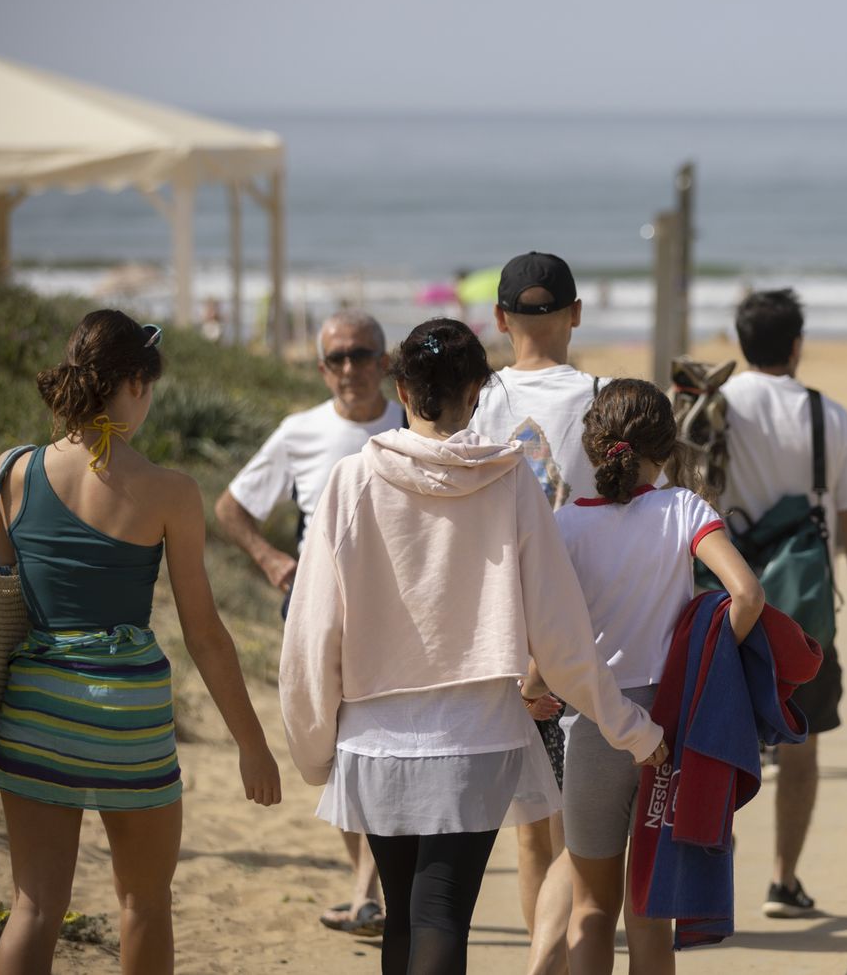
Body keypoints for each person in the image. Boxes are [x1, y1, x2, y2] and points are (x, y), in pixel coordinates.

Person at [280, 319, 667, 975]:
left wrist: (313, 745)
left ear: (401, 387)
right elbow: (562, 635)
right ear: (478, 392)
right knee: (442, 914)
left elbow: (312, 631)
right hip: (477, 737)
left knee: (403, 915)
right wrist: (630, 726)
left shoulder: (350, 480)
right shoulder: (509, 481)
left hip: (375, 738)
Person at [0, 309, 281, 975]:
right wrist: (252, 743)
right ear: (136, 386)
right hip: (127, 717)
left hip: (37, 704)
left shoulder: (16, 470)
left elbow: (2, 600)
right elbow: (204, 632)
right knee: (144, 901)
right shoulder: (171, 491)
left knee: (34, 905)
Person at [549, 379, 765, 974]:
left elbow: (547, 631)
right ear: (666, 447)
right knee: (649, 911)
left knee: (590, 907)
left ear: (595, 446)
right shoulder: (686, 510)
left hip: (593, 723)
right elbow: (746, 595)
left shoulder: (566, 524)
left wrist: (533, 685)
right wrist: (710, 666)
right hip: (667, 728)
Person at [213, 308, 402, 936]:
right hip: (316, 609)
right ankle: (366, 888)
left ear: (384, 361)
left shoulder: (412, 421)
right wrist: (270, 559)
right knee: (339, 746)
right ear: (323, 369)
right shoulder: (300, 431)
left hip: (403, 615)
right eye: (338, 358)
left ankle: (367, 888)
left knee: (379, 742)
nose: (351, 368)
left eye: (362, 354)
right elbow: (232, 506)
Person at [717, 288, 847, 918]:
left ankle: (712, 876)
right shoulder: (829, 416)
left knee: (714, 742)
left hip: (722, 602)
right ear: (795, 345)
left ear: (741, 343)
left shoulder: (715, 408)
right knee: (802, 742)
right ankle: (783, 881)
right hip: (802, 611)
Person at [468, 250, 599, 974]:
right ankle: (555, 959)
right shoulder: (606, 396)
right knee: (585, 831)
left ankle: (538, 955)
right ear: (576, 313)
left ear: (500, 318)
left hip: (498, 631)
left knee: (530, 831)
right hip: (588, 629)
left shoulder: (476, 402)